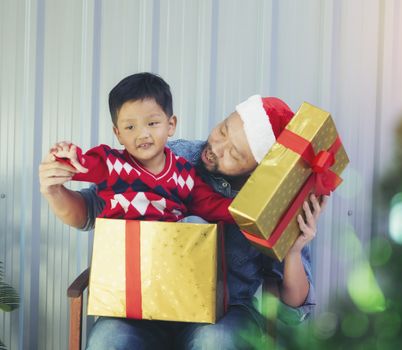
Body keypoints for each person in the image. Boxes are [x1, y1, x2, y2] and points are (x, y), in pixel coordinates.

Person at [39, 92, 327, 349]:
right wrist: (55, 189)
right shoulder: (169, 156)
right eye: (223, 130)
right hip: (143, 305)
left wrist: (293, 250)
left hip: (224, 314)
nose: (217, 148)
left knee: (216, 342)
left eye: (234, 154)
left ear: (257, 171)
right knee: (108, 341)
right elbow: (89, 210)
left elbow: (292, 312)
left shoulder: (276, 204)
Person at [48, 72, 233, 224]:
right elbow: (81, 165)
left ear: (170, 125)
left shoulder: (184, 173)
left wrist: (244, 212)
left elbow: (212, 205)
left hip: (169, 253)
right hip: (122, 251)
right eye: (130, 127)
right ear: (118, 133)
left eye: (152, 123)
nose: (142, 134)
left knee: (196, 222)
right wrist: (65, 155)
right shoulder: (111, 164)